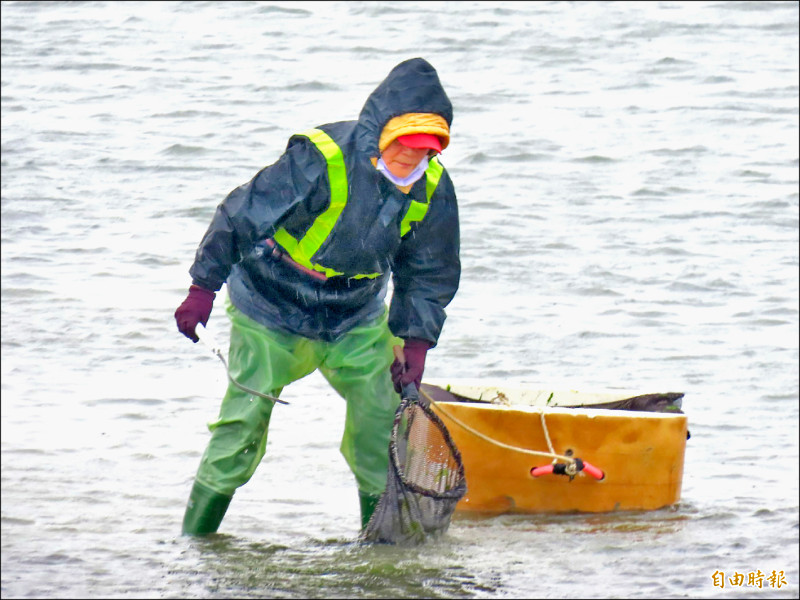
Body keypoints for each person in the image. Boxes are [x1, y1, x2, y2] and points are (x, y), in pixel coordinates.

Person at [174, 57, 460, 536]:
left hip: (357, 315)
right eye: (404, 145)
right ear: (381, 134)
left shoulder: (432, 186)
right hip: (270, 304)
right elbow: (241, 214)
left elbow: (430, 272)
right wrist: (202, 287)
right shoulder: (321, 156)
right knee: (242, 428)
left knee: (379, 430)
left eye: (425, 148)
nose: (412, 158)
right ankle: (194, 543)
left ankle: (379, 555)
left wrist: (415, 342)